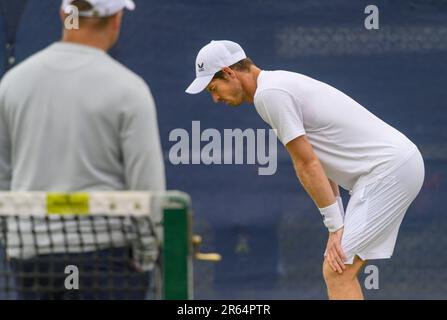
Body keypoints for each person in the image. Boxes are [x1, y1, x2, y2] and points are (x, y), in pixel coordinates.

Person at [185, 40, 425, 300]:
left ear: (230, 72)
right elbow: (319, 160)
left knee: (337, 271)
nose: (215, 98)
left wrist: (335, 228)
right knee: (338, 269)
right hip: (393, 168)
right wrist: (337, 223)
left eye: (214, 87)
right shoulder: (275, 87)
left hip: (388, 171)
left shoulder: (270, 94)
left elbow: (306, 163)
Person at [0, 0, 166, 299]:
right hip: (107, 263)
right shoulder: (129, 90)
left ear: (65, 14)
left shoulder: (12, 85)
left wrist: (12, 241)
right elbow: (147, 188)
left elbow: (2, 178)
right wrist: (145, 256)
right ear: (116, 19)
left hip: (33, 258)